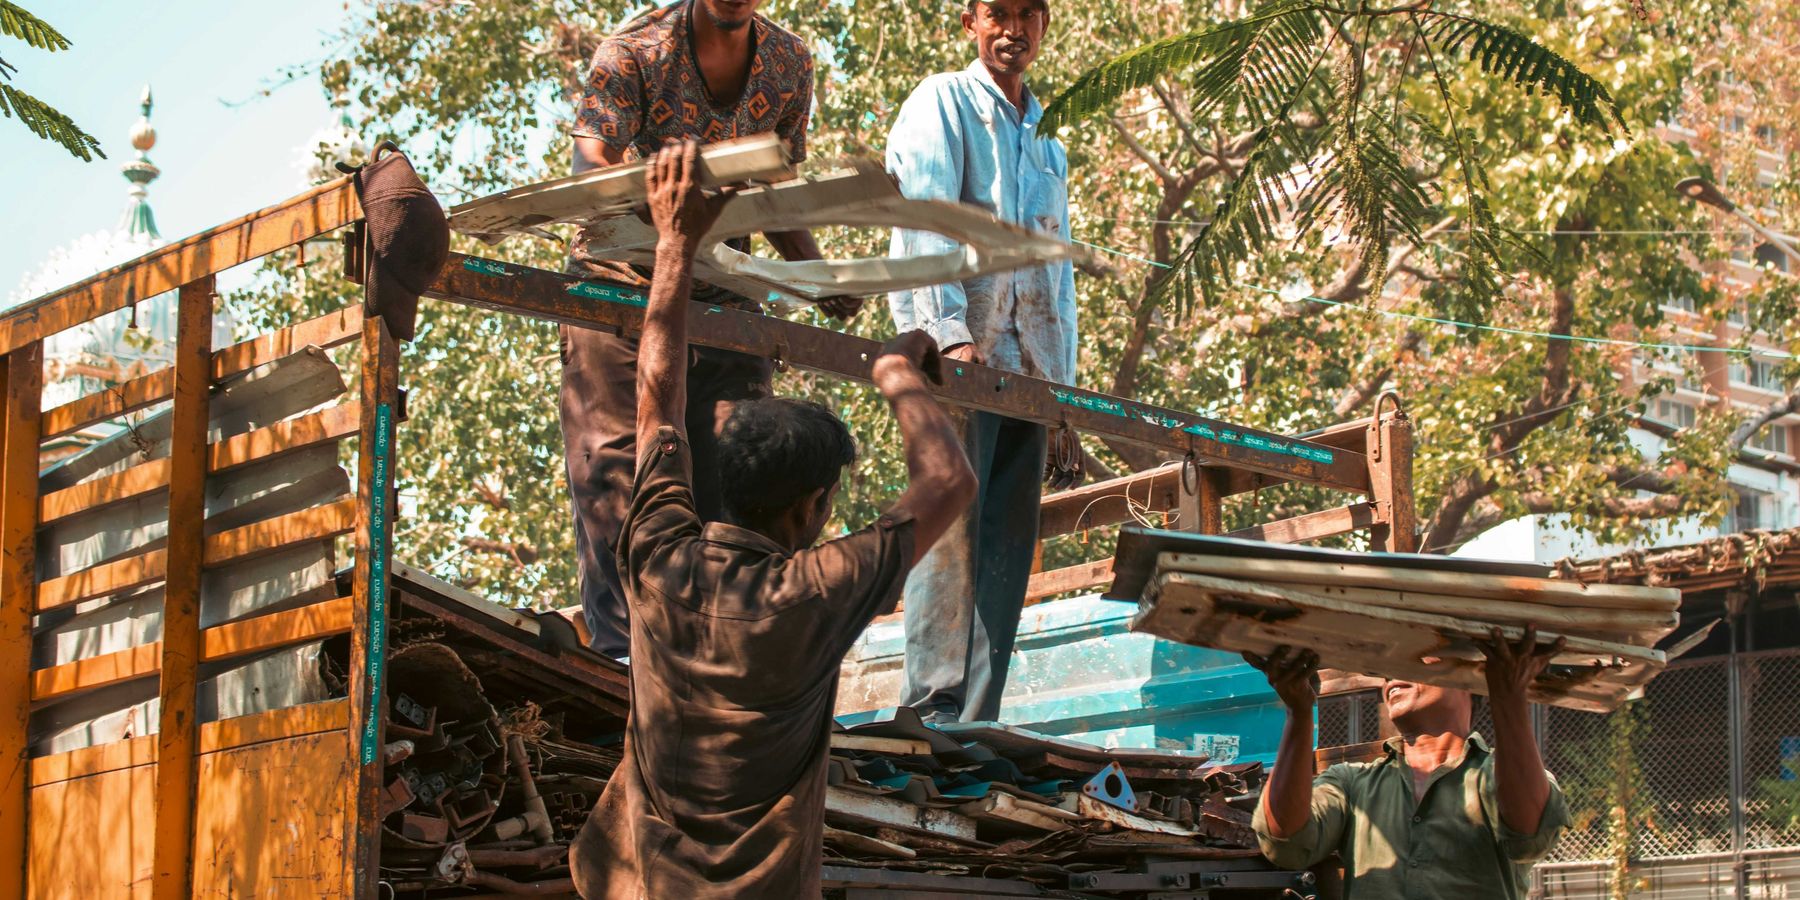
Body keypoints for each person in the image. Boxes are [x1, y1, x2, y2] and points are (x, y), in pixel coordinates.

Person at [570, 142, 977, 899]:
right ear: (812, 508)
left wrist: (676, 242)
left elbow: (657, 390)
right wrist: (895, 372)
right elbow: (950, 480)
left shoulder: (659, 556)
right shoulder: (813, 593)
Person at [563, 0, 861, 658]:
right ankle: (625, 661)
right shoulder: (633, 51)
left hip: (724, 294)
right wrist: (663, 197)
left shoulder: (788, 64)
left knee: (742, 469)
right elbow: (591, 163)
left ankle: (727, 654)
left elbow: (769, 191)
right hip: (620, 287)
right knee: (621, 473)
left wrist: (818, 275)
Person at [884, 0, 1080, 725]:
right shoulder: (944, 101)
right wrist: (949, 338)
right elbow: (926, 218)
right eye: (998, 11)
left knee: (1006, 545)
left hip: (1028, 376)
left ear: (1045, 24)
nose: (1013, 28)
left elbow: (1054, 276)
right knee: (949, 532)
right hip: (958, 360)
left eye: (1029, 14)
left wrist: (1062, 397)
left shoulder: (1046, 142)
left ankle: (977, 719)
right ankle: (932, 708)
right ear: (969, 20)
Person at [1247, 630, 1573, 899]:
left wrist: (1509, 695)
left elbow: (1529, 835)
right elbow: (1285, 843)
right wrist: (1300, 712)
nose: (1392, 674)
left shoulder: (1492, 778)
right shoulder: (1351, 784)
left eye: (1415, 655)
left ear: (1468, 678)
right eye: (1387, 667)